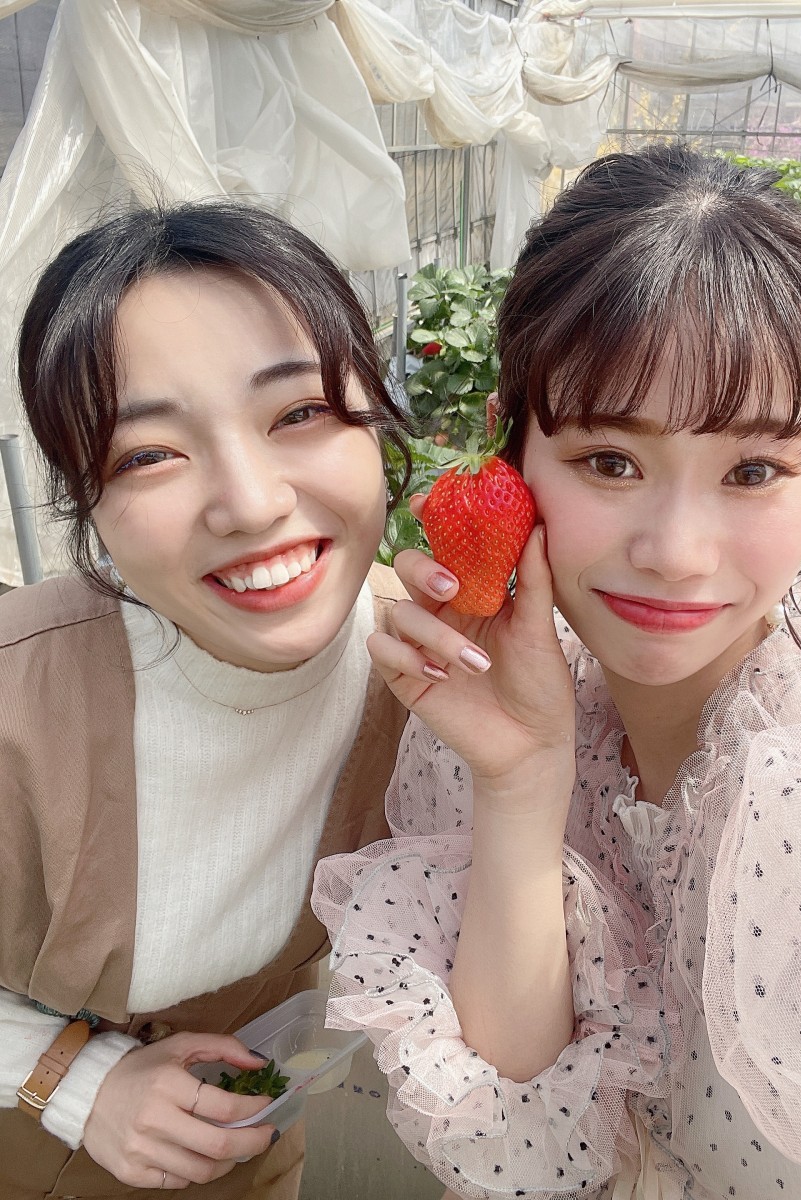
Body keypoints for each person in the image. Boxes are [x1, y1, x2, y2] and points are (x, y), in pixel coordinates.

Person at [312, 145, 801, 1200]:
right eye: (611, 462)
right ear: (508, 452)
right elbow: (522, 1153)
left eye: (753, 470)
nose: (676, 552)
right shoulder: (527, 709)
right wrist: (522, 778)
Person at [0, 200, 412, 1198]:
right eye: (148, 454)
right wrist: (71, 1079)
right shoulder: (20, 696)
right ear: (89, 504)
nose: (252, 503)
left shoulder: (434, 673)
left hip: (246, 1152)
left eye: (300, 413)